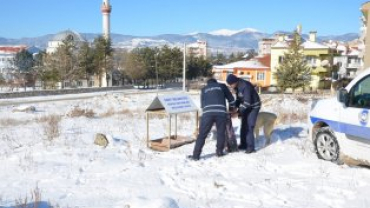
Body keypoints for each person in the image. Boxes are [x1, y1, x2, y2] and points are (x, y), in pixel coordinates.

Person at [189, 75, 236, 161]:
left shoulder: (204, 89)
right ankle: (219, 152)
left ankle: (196, 156)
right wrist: (231, 109)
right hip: (221, 112)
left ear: (208, 83)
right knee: (221, 132)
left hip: (207, 113)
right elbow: (231, 100)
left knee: (202, 135)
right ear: (215, 82)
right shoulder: (222, 86)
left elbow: (202, 105)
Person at [226, 74, 261, 154]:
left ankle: (251, 147)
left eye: (231, 84)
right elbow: (239, 99)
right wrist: (233, 107)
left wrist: (238, 112)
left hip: (254, 107)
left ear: (235, 82)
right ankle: (243, 144)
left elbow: (247, 103)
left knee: (249, 126)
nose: (231, 86)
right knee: (244, 125)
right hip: (247, 106)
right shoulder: (237, 86)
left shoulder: (246, 86)